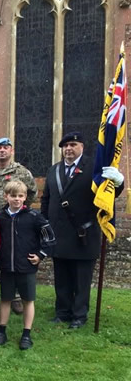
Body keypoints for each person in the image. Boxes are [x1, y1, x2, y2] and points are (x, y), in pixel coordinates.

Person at [41, 132, 124, 329]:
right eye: (65, 146)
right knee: (61, 278)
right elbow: (46, 199)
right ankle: (62, 312)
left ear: (82, 147)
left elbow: (108, 192)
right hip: (59, 235)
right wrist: (44, 223)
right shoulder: (54, 170)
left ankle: (79, 315)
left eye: (73, 144)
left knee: (81, 279)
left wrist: (119, 183)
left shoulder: (93, 168)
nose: (68, 149)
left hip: (83, 235)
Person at [0, 181, 56, 349]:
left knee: (28, 300)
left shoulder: (34, 217)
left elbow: (49, 237)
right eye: (13, 196)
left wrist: (41, 255)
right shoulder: (0, 217)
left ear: (25, 197)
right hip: (7, 267)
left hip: (26, 266)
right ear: (6, 196)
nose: (16, 199)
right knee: (5, 299)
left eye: (20, 196)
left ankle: (26, 334)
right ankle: (1, 331)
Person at [0, 137, 37, 313]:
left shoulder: (22, 172)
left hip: (14, 221)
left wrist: (19, 210)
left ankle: (16, 297)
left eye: (6, 147)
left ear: (11, 151)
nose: (2, 150)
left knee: (16, 256)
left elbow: (32, 192)